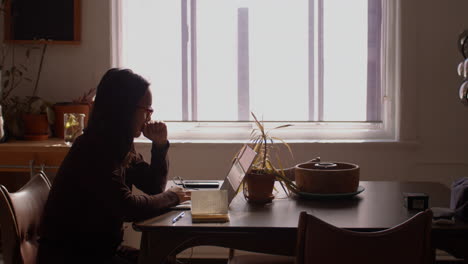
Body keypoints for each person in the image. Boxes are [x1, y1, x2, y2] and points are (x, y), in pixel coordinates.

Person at [37, 68, 190, 264]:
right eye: (147, 110)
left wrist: (159, 146)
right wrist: (173, 196)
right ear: (124, 109)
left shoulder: (115, 143)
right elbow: (128, 207)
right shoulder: (93, 149)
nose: (149, 118)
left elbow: (153, 185)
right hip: (74, 256)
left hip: (97, 251)